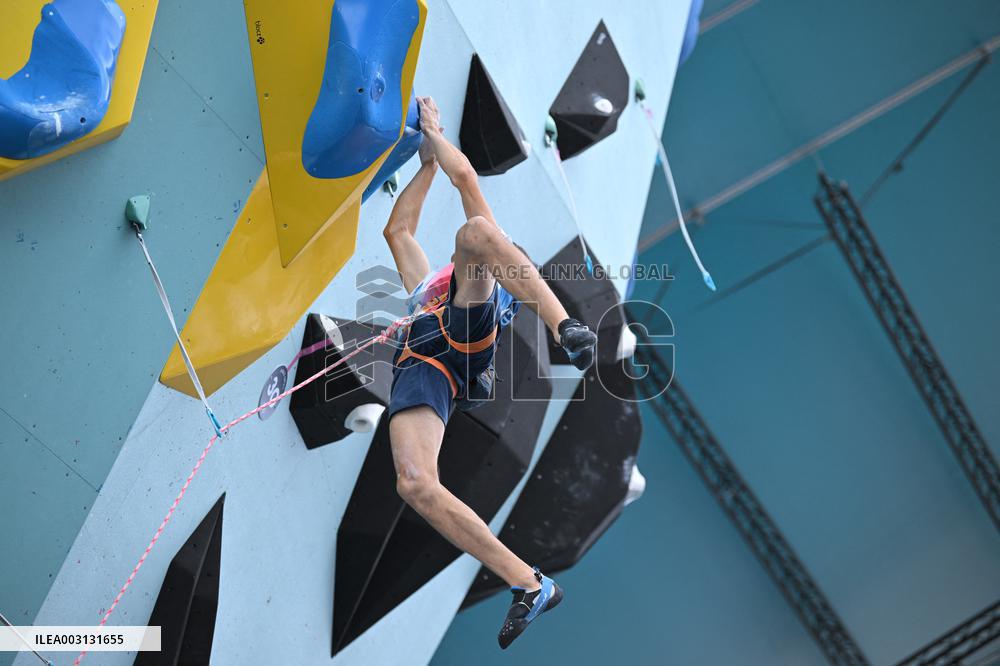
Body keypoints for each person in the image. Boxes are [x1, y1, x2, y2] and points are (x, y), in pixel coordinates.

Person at [380, 96, 597, 648]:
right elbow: (397, 232)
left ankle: (565, 327)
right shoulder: (425, 287)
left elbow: (468, 177)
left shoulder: (477, 270)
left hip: (466, 341)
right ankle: (529, 584)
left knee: (475, 231)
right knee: (414, 484)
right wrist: (425, 165)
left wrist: (434, 131)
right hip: (427, 371)